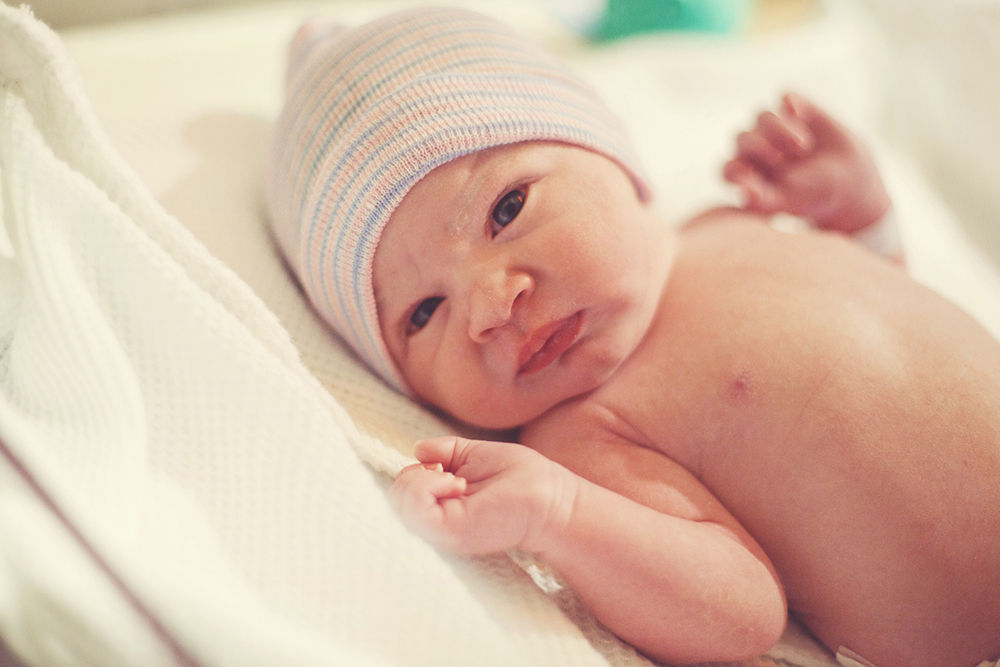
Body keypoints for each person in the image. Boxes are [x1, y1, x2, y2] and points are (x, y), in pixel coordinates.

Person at [267, 7, 1000, 666]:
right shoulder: (580, 434)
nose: (491, 306)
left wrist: (863, 218)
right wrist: (558, 514)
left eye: (507, 207)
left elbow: (892, 321)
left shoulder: (729, 219)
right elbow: (742, 610)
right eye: (423, 313)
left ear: (606, 153)